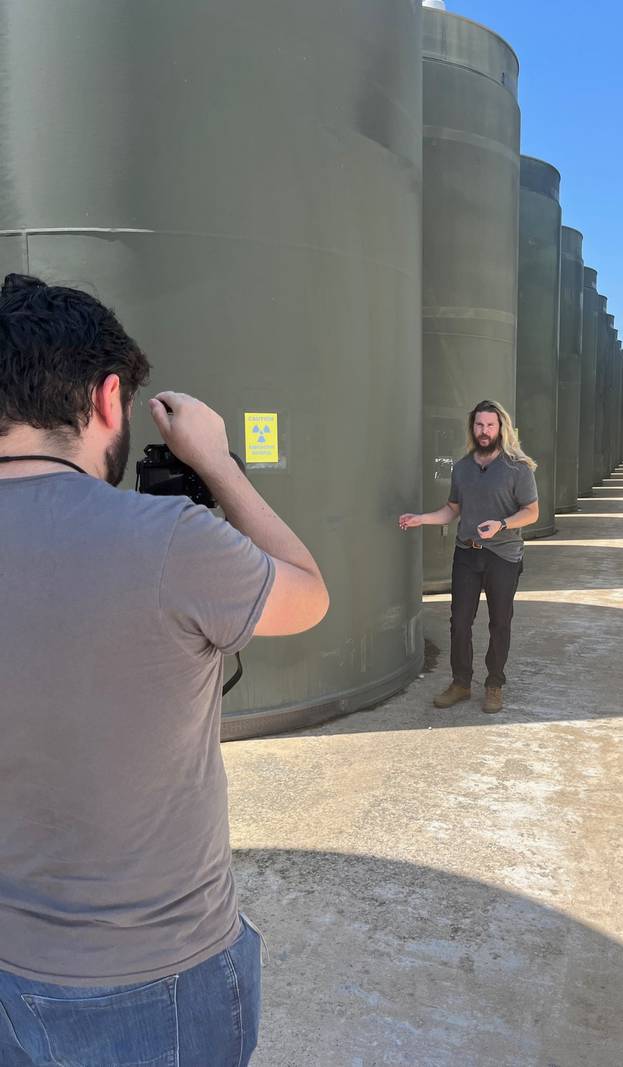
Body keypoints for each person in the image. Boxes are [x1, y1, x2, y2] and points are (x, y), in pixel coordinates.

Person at [0, 274, 329, 1066]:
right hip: (157, 977)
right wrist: (216, 463)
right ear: (108, 398)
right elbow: (309, 594)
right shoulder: (171, 540)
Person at [400, 400, 539, 713]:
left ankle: (494, 684)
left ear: (500, 427)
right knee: (459, 622)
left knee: (499, 622)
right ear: (472, 428)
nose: (484, 431)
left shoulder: (518, 468)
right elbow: (452, 510)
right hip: (467, 554)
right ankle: (461, 682)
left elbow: (532, 512)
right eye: (479, 425)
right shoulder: (462, 467)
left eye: (490, 425)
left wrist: (502, 524)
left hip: (503, 555)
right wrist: (421, 519)